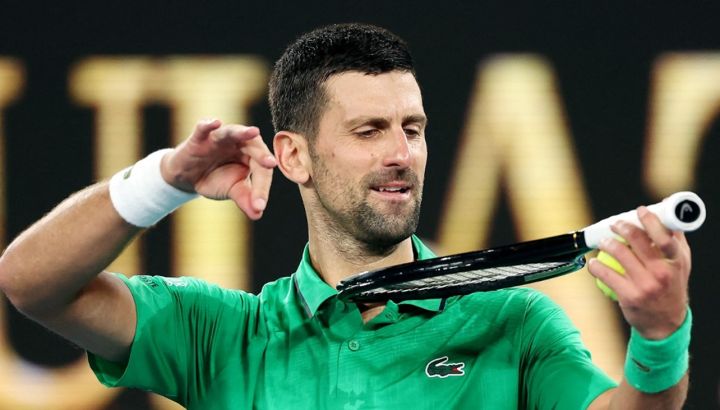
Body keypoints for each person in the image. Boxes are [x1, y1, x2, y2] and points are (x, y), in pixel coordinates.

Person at [0, 23, 691, 409]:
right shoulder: (225, 336)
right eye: (369, 131)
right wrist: (164, 179)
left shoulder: (515, 322)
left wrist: (660, 338)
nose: (401, 154)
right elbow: (30, 282)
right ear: (293, 156)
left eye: (413, 129)